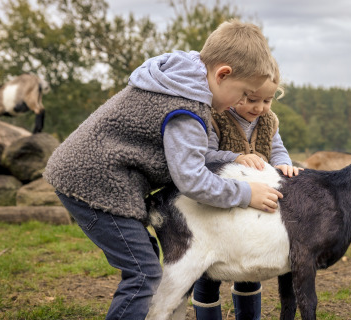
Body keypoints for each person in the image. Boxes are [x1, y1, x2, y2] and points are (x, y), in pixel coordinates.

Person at [43, 20, 283, 320]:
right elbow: (192, 180)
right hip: (95, 184)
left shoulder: (181, 77)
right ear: (223, 74)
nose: (241, 102)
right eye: (244, 93)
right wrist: (245, 193)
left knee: (144, 261)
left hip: (92, 175)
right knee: (143, 274)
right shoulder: (188, 109)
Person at [192, 59, 302, 320]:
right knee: (209, 271)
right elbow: (205, 155)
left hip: (253, 208)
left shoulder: (269, 121)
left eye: (267, 101)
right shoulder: (216, 117)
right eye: (252, 99)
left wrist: (284, 165)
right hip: (217, 203)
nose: (260, 108)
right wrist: (236, 157)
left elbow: (277, 149)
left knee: (249, 267)